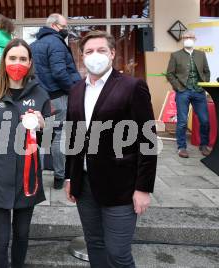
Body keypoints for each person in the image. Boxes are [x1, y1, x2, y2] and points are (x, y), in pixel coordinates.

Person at [64, 30, 157, 267]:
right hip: (85, 185)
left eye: (101, 50)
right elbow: (74, 137)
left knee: (117, 253)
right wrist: (69, 177)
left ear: (112, 53)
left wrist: (143, 188)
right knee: (95, 245)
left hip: (121, 186)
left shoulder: (132, 86)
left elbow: (147, 141)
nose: (95, 55)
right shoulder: (75, 91)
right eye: (89, 51)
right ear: (81, 57)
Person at [0, 38, 51, 268]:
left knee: (22, 235)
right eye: (12, 58)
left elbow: (49, 140)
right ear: (4, 61)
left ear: (30, 62)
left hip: (28, 179)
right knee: (0, 239)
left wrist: (45, 127)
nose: (17, 63)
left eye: (22, 59)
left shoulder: (41, 95)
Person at [30, 13, 81, 190]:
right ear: (54, 26)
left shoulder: (33, 45)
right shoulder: (57, 43)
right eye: (64, 26)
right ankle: (60, 176)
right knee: (58, 136)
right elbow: (60, 72)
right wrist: (74, 90)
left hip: (38, 97)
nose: (65, 30)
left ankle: (36, 175)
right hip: (57, 97)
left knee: (38, 137)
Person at [166, 30, 211, 158]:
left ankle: (204, 145)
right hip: (183, 91)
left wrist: (204, 84)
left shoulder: (201, 55)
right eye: (186, 37)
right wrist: (178, 87)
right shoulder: (175, 55)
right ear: (182, 39)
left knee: (205, 120)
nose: (188, 39)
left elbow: (207, 71)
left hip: (199, 91)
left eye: (190, 37)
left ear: (194, 39)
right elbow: (170, 74)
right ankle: (181, 147)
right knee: (182, 121)